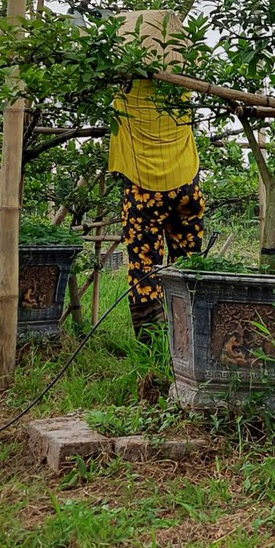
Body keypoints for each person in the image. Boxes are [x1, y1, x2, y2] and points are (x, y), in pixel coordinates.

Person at [107, 19, 204, 342]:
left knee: (144, 265)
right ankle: (187, 337)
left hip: (143, 190)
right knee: (187, 264)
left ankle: (151, 341)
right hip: (186, 186)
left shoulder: (126, 92)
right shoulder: (182, 88)